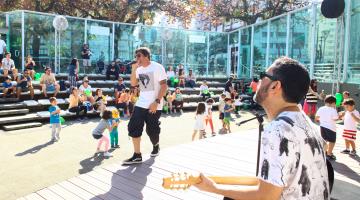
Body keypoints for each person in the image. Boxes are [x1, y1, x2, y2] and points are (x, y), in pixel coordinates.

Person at [194, 57, 330, 200]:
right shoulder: (307, 122)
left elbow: (265, 197)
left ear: (275, 86)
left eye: (262, 77)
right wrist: (219, 181)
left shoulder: (278, 130)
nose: (258, 82)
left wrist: (213, 188)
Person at [123, 47, 168, 165]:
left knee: (151, 130)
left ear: (146, 56)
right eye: (136, 56)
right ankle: (137, 155)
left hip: (154, 105)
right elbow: (133, 84)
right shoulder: (138, 69)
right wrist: (134, 69)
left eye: (139, 56)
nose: (136, 58)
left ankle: (156, 145)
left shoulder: (158, 67)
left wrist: (157, 101)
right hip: (141, 103)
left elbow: (164, 86)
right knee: (133, 126)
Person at [315, 95, 339, 160]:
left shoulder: (321, 108)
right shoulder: (333, 110)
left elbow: (316, 118)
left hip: (322, 126)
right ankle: (329, 153)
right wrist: (340, 115)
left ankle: (324, 152)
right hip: (331, 128)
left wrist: (323, 120)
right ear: (333, 103)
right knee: (332, 141)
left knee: (324, 140)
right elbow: (336, 119)